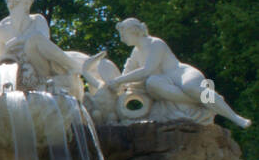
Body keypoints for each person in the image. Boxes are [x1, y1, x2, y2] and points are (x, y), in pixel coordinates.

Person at [108, 18, 251, 128]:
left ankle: (235, 118)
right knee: (151, 83)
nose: (122, 38)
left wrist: (119, 81)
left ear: (134, 31)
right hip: (164, 82)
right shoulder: (135, 53)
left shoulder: (155, 43)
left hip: (180, 73)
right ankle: (202, 101)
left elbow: (147, 70)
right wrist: (117, 84)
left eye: (123, 34)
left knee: (191, 88)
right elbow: (127, 74)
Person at [0, 0, 80, 93]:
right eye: (25, 3)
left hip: (39, 66)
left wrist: (14, 42)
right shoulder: (0, 29)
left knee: (34, 39)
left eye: (29, 4)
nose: (27, 7)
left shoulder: (37, 20)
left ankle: (74, 65)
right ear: (12, 5)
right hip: (16, 71)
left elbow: (45, 45)